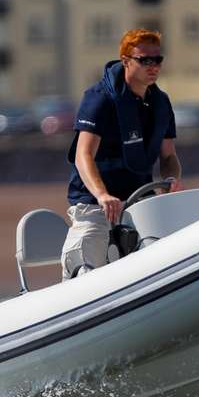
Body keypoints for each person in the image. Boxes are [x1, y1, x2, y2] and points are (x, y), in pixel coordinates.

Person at [61, 29, 182, 280]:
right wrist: (102, 194)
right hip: (95, 207)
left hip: (141, 204)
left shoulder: (161, 103)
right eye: (144, 60)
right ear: (126, 61)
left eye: (157, 60)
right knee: (87, 267)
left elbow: (168, 156)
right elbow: (83, 155)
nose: (153, 66)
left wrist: (170, 181)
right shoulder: (100, 99)